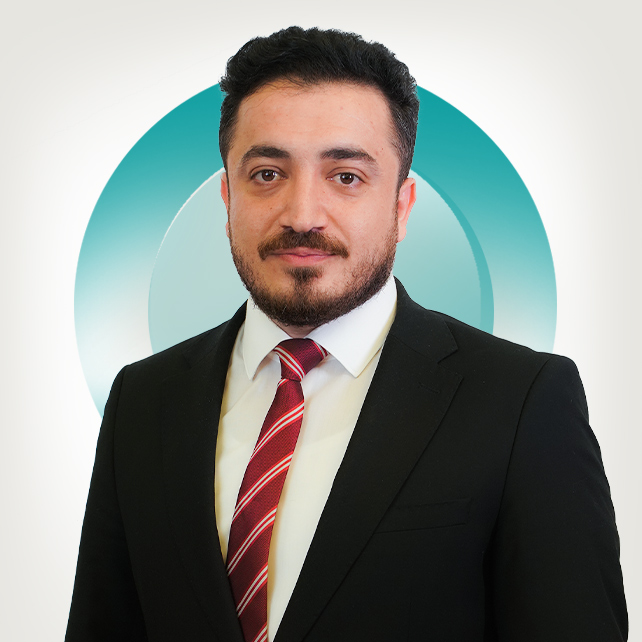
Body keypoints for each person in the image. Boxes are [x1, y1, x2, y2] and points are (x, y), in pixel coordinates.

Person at [65, 26, 627, 642]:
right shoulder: (143, 399)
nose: (302, 215)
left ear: (402, 206)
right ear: (227, 198)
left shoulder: (522, 400)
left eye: (347, 176)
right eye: (267, 174)